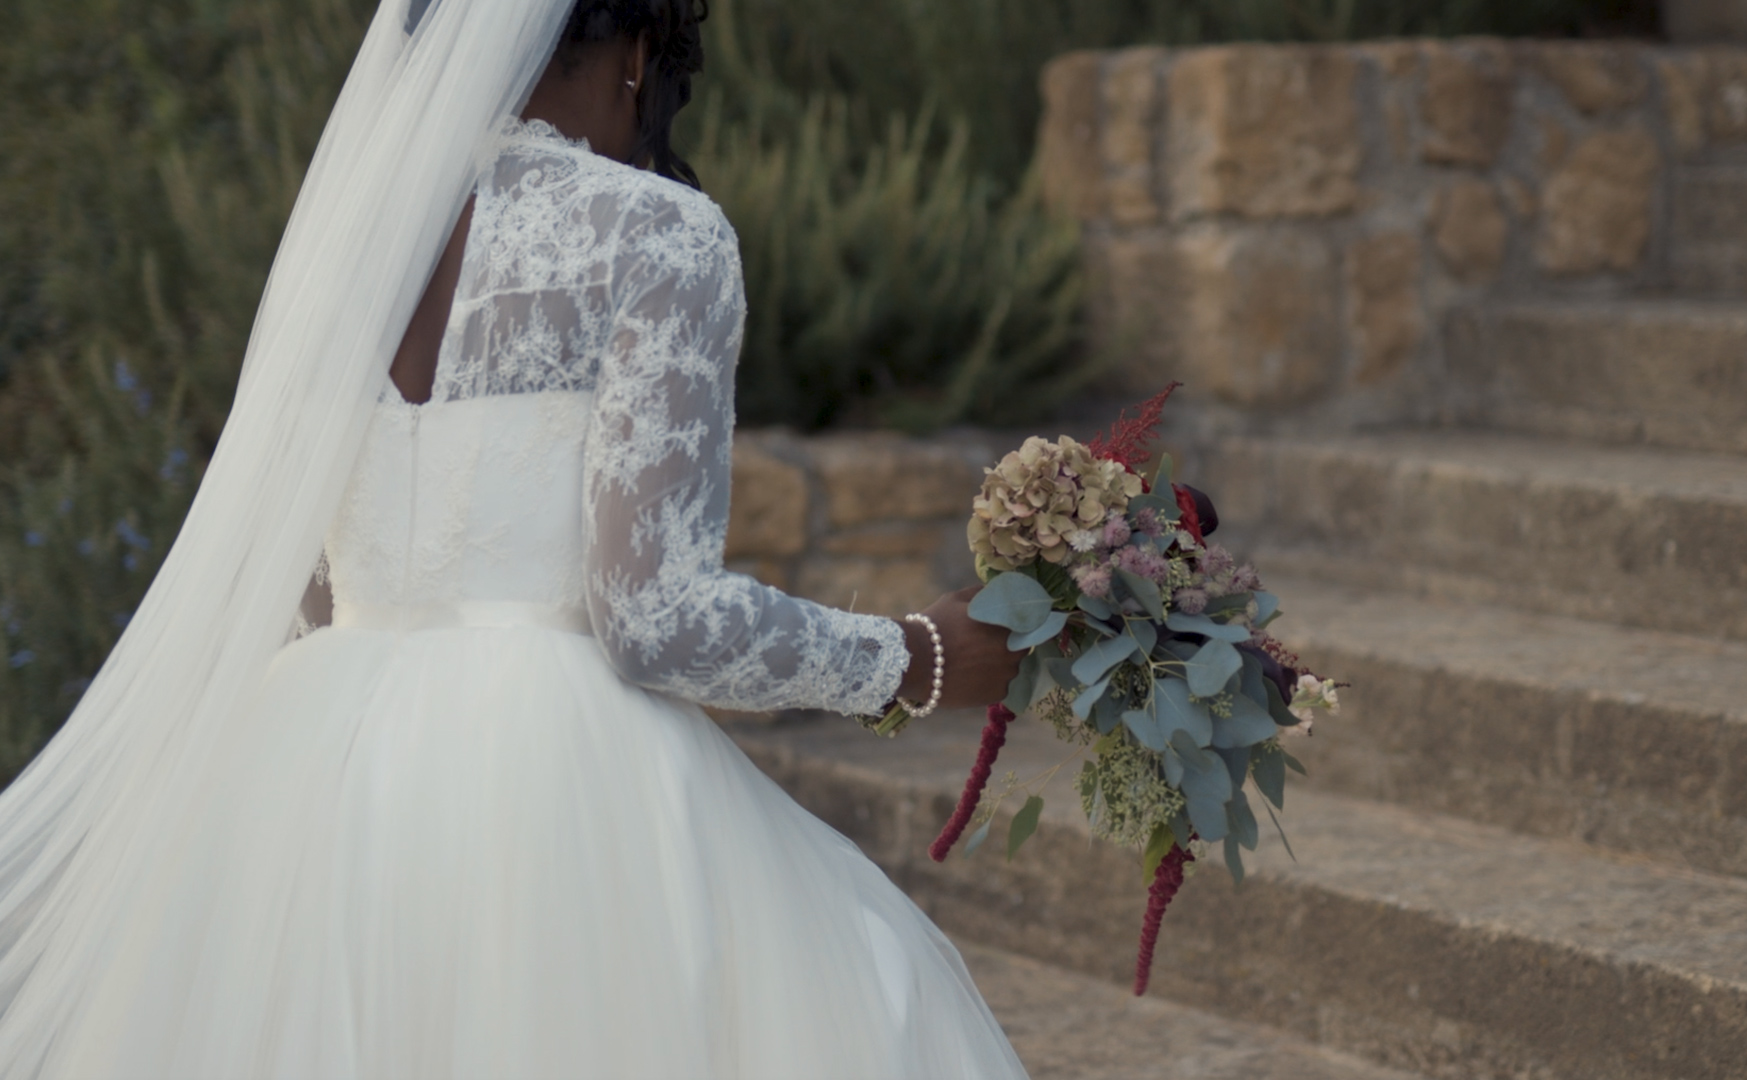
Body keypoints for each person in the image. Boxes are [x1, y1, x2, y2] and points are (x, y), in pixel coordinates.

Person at [0, 0, 1028, 1075]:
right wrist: (921, 656)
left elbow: (309, 582)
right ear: (637, 59)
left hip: (306, 755)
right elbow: (653, 619)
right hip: (554, 785)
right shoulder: (659, 233)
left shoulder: (347, 246)